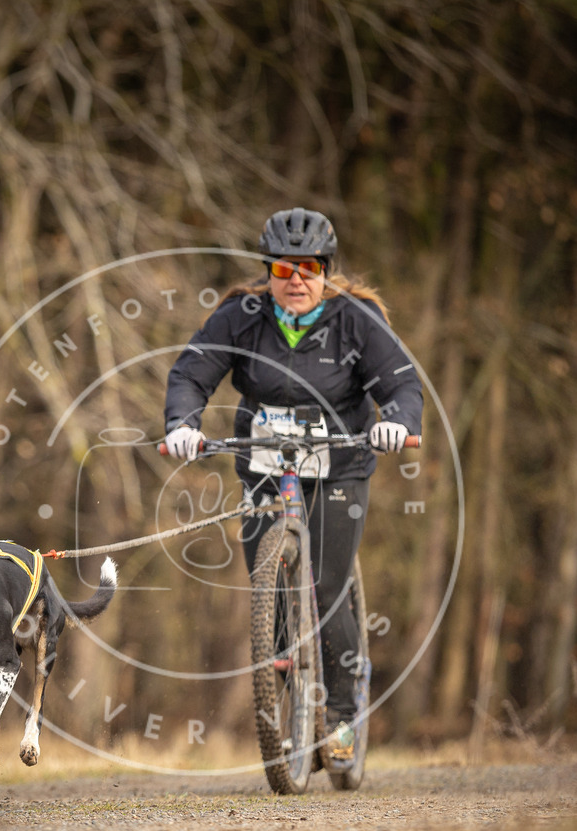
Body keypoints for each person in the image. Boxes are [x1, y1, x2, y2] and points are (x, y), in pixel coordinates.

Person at [163, 207, 422, 761]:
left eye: (309, 269)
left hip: (339, 466)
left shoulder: (356, 319)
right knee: (272, 592)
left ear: (326, 271)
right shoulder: (241, 316)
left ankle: (343, 716)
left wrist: (398, 422)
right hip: (263, 462)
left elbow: (400, 383)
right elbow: (190, 373)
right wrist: (182, 425)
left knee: (326, 588)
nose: (297, 280)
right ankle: (294, 692)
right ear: (268, 272)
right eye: (284, 269)